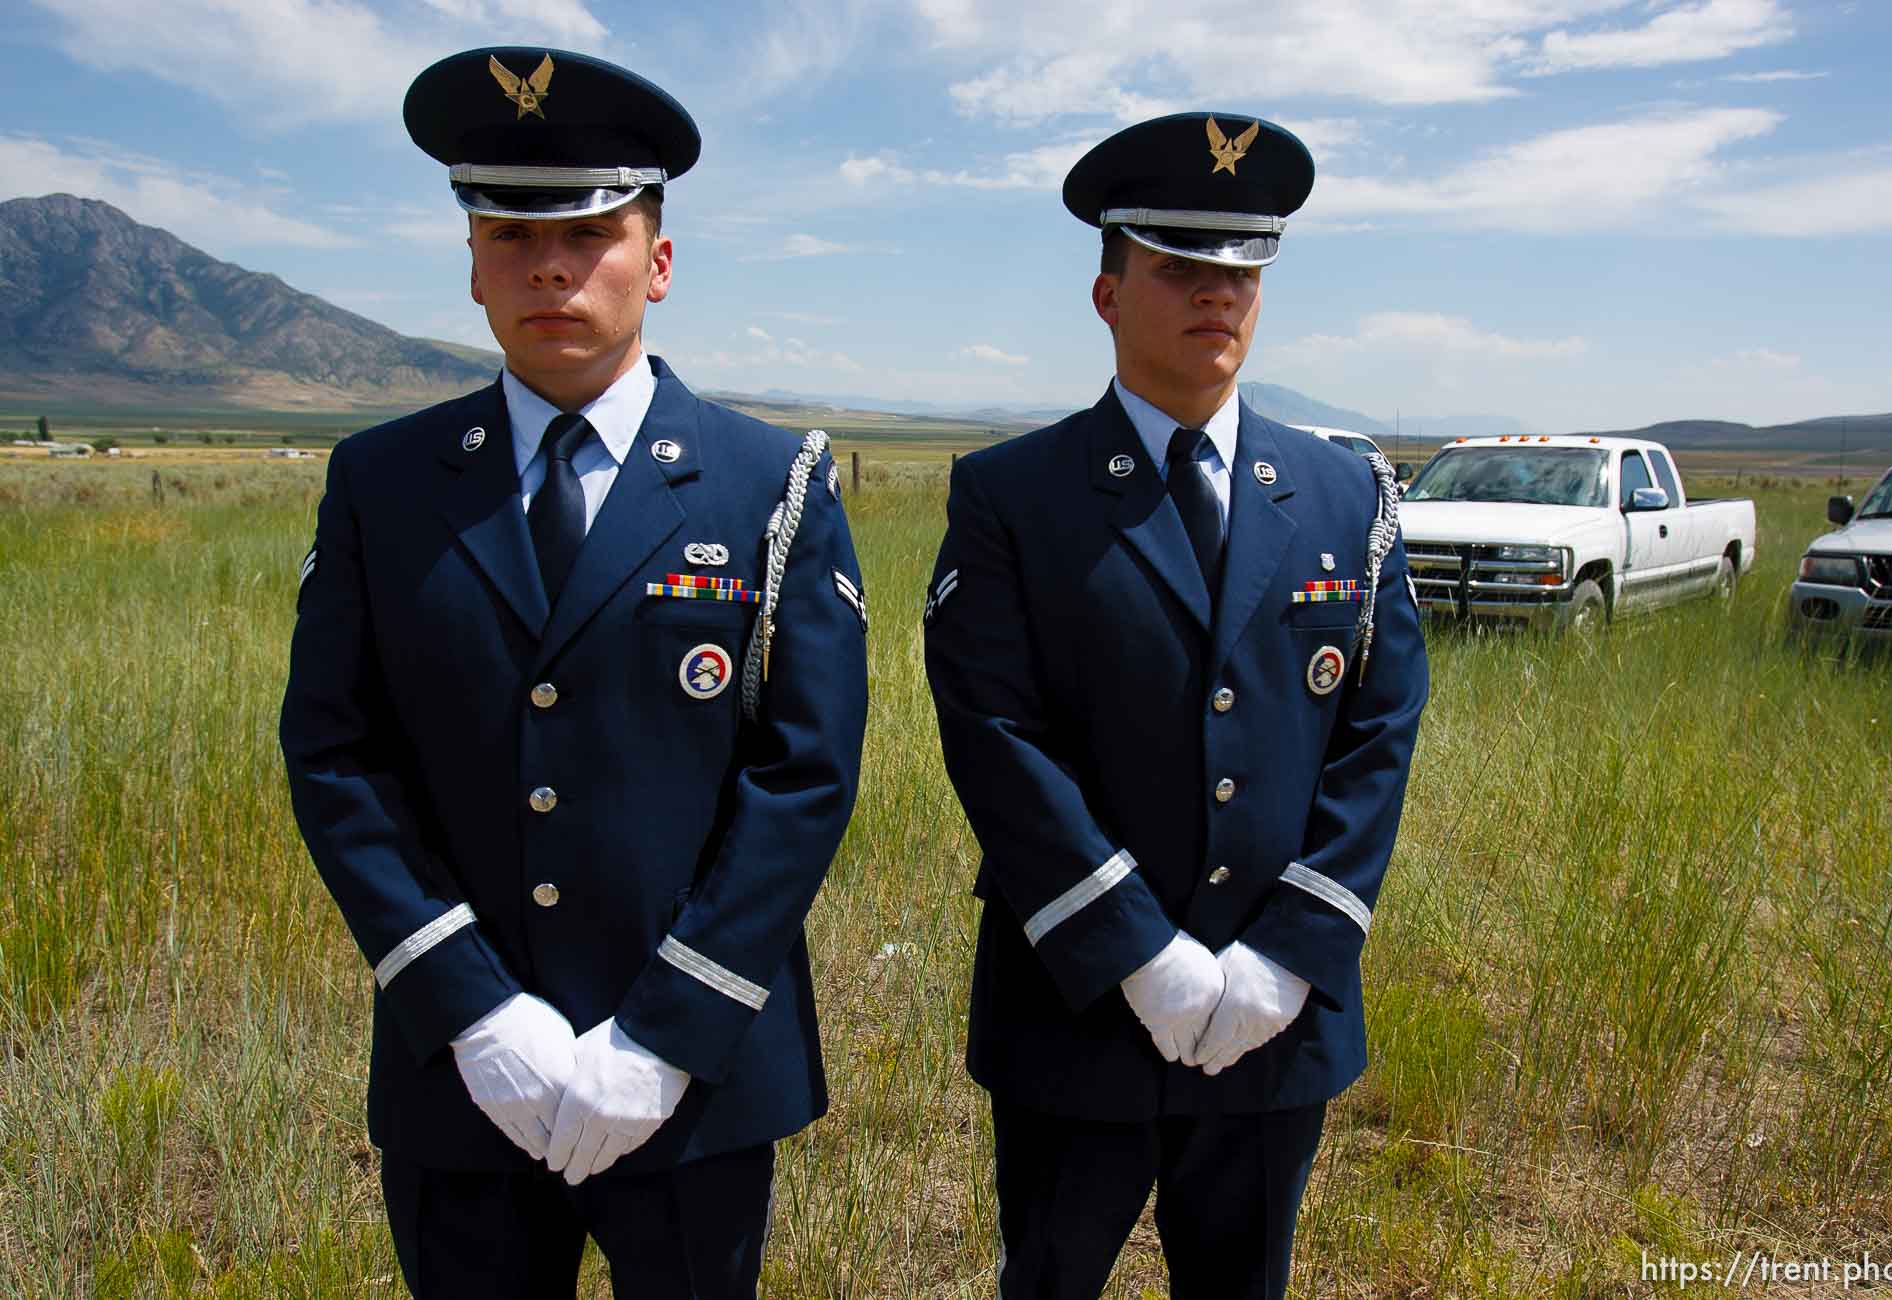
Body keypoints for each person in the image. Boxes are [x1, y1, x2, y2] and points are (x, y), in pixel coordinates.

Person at [279, 46, 867, 1299]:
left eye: (594, 229)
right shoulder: (383, 484)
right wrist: (472, 1010)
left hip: (695, 1081)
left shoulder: (773, 483)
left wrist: (665, 1033)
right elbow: (337, 756)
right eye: (510, 231)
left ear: (657, 260)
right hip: (462, 1074)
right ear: (475, 262)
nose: (551, 264)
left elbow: (804, 775)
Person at [922, 112, 1429, 1298]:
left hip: (1274, 1007)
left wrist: (1285, 957)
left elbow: (1378, 729)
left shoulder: (1346, 493)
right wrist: (1141, 956)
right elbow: (995, 736)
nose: (1217, 294)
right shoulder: (1013, 495)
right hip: (1080, 1005)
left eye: (1241, 270)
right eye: (1181, 268)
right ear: (1107, 294)